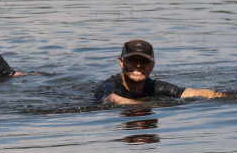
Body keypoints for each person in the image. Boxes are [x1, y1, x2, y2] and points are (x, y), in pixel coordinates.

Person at [94, 39, 224, 105]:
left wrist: (222, 96)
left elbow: (189, 92)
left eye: (144, 61)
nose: (138, 65)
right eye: (133, 60)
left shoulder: (154, 87)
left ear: (152, 65)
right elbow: (111, 99)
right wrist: (147, 106)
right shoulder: (110, 86)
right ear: (121, 62)